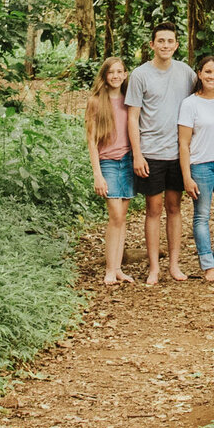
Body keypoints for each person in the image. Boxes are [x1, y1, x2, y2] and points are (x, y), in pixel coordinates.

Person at [124, 21, 197, 284]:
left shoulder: (186, 73)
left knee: (174, 207)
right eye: (161, 41)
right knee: (153, 209)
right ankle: (154, 267)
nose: (165, 45)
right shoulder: (140, 75)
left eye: (170, 41)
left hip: (178, 153)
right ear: (152, 44)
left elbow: (202, 101)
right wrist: (137, 154)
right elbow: (133, 117)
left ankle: (174, 265)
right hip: (151, 152)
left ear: (176, 45)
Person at [176, 56, 214, 281]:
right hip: (200, 166)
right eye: (208, 72)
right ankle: (207, 265)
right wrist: (186, 177)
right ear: (200, 74)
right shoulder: (190, 104)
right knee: (201, 216)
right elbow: (183, 143)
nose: (212, 76)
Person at [82, 57, 134, 286]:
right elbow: (91, 141)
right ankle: (110, 270)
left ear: (125, 74)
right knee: (115, 216)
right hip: (108, 163)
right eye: (111, 72)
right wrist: (97, 174)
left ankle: (118, 267)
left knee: (122, 217)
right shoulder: (95, 102)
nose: (115, 76)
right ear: (104, 76)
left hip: (128, 161)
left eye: (119, 72)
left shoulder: (129, 100)